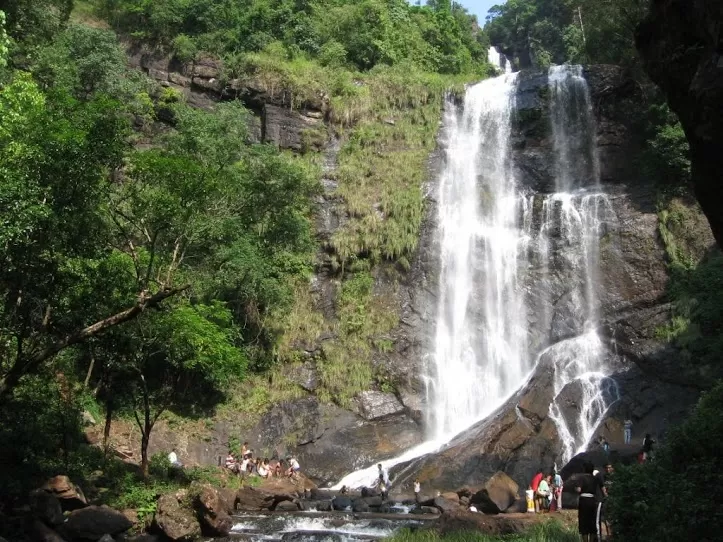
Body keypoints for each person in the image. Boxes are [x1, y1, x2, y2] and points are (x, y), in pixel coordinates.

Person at [575, 461, 607, 542]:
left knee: (583, 521)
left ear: (584, 469)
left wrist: (575, 488)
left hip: (584, 501)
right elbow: (602, 487)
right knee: (592, 522)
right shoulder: (595, 478)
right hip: (593, 500)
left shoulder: (581, 477)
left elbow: (579, 489)